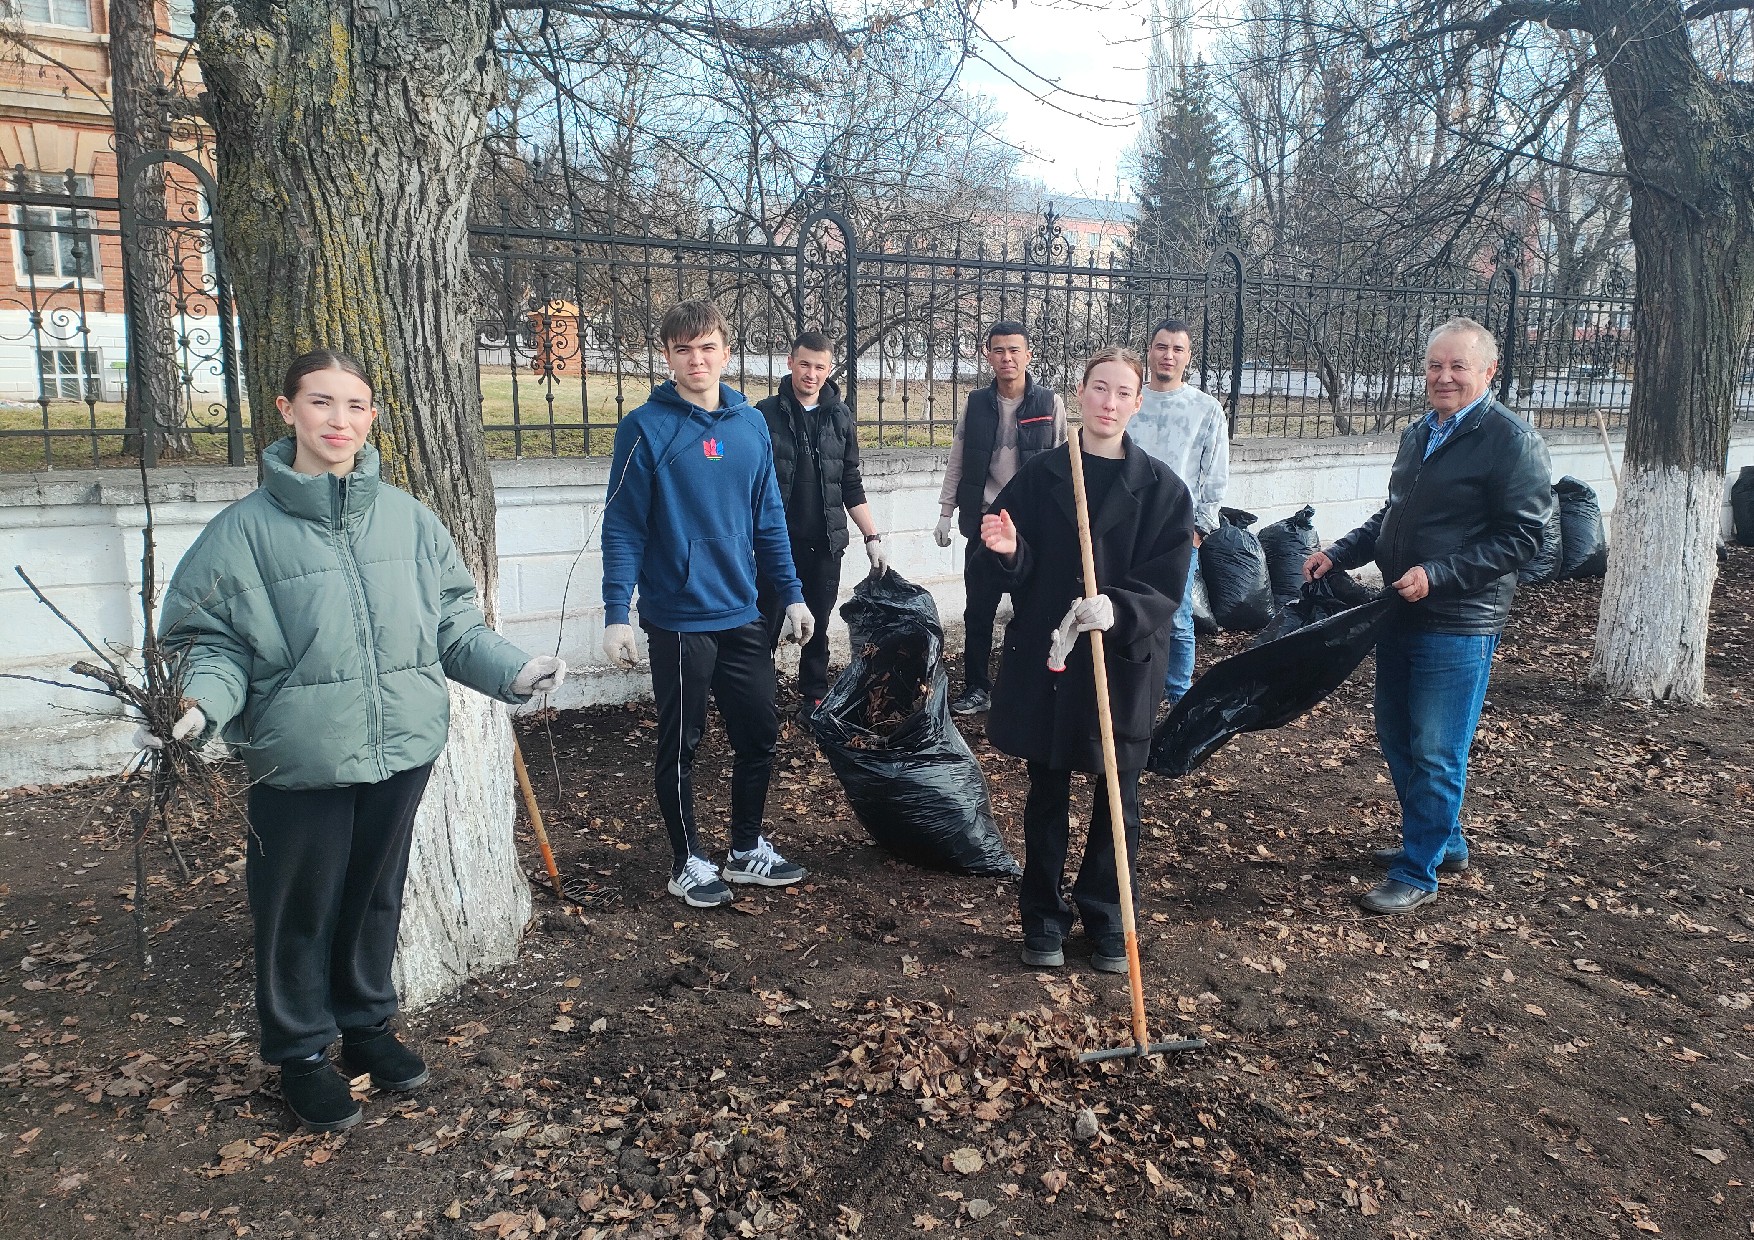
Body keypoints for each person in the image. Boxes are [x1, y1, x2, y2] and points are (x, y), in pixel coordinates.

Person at [151, 349, 566, 1133]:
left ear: (372, 418)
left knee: (375, 894)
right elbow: (209, 645)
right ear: (285, 410)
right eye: (321, 403)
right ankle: (303, 1052)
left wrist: (516, 671)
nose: (339, 421)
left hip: (400, 746)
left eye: (356, 406)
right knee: (298, 907)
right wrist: (199, 704)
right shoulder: (238, 536)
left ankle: (367, 1026)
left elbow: (452, 626)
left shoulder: (409, 520)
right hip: (297, 756)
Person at [1304, 317, 1553, 915]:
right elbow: (1393, 515)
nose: (1444, 377)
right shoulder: (1423, 433)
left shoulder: (1509, 439)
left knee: (1438, 748)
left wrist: (1440, 575)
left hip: (1459, 621)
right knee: (1397, 736)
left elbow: (1524, 537)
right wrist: (1339, 551)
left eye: (1458, 366)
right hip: (1399, 611)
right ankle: (1446, 841)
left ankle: (1417, 869)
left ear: (1488, 372)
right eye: (1435, 366)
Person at [978, 347, 1194, 972]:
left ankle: (1106, 918)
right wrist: (1012, 550)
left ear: (1137, 401)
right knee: (1046, 791)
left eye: (1121, 392)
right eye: (1099, 389)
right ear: (1080, 393)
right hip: (1056, 658)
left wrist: (1120, 610)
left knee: (1117, 794)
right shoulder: (1043, 476)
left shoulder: (1162, 490)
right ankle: (1042, 920)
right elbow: (1020, 572)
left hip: (1122, 662)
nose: (1108, 402)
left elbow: (1168, 579)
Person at [601, 300, 813, 910]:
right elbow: (623, 527)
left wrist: (792, 595)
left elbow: (769, 519)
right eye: (682, 349)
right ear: (666, 357)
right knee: (682, 742)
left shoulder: (749, 427)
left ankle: (745, 849)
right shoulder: (644, 428)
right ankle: (686, 860)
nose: (697, 360)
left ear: (726, 350)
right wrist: (618, 610)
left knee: (760, 734)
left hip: (743, 612)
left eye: (707, 347)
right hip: (678, 618)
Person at [935, 321, 1068, 715]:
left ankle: (1031, 686)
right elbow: (958, 458)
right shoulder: (976, 403)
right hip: (984, 522)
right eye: (998, 350)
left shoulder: (1048, 403)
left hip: (1032, 528)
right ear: (987, 354)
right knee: (978, 610)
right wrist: (946, 512)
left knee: (1034, 611)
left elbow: (1065, 462)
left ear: (1029, 355)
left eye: (1014, 350)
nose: (1006, 358)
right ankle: (977, 687)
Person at [755, 331, 887, 725]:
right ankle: (760, 703)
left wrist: (873, 536)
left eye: (819, 367)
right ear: (790, 364)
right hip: (776, 545)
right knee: (765, 624)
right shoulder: (763, 415)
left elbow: (851, 482)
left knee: (819, 623)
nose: (811, 374)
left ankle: (813, 697)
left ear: (829, 369)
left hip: (826, 542)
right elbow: (753, 484)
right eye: (804, 364)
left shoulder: (840, 416)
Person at [1126, 318, 1229, 706]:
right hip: (1129, 528)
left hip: (1179, 532)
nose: (1168, 355)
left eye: (1177, 349)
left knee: (1178, 618)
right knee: (1129, 613)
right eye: (1161, 347)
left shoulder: (1205, 409)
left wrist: (1200, 529)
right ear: (1149, 351)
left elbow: (1214, 475)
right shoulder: (1132, 401)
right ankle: (1136, 692)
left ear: (1188, 357)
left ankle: (1178, 699)